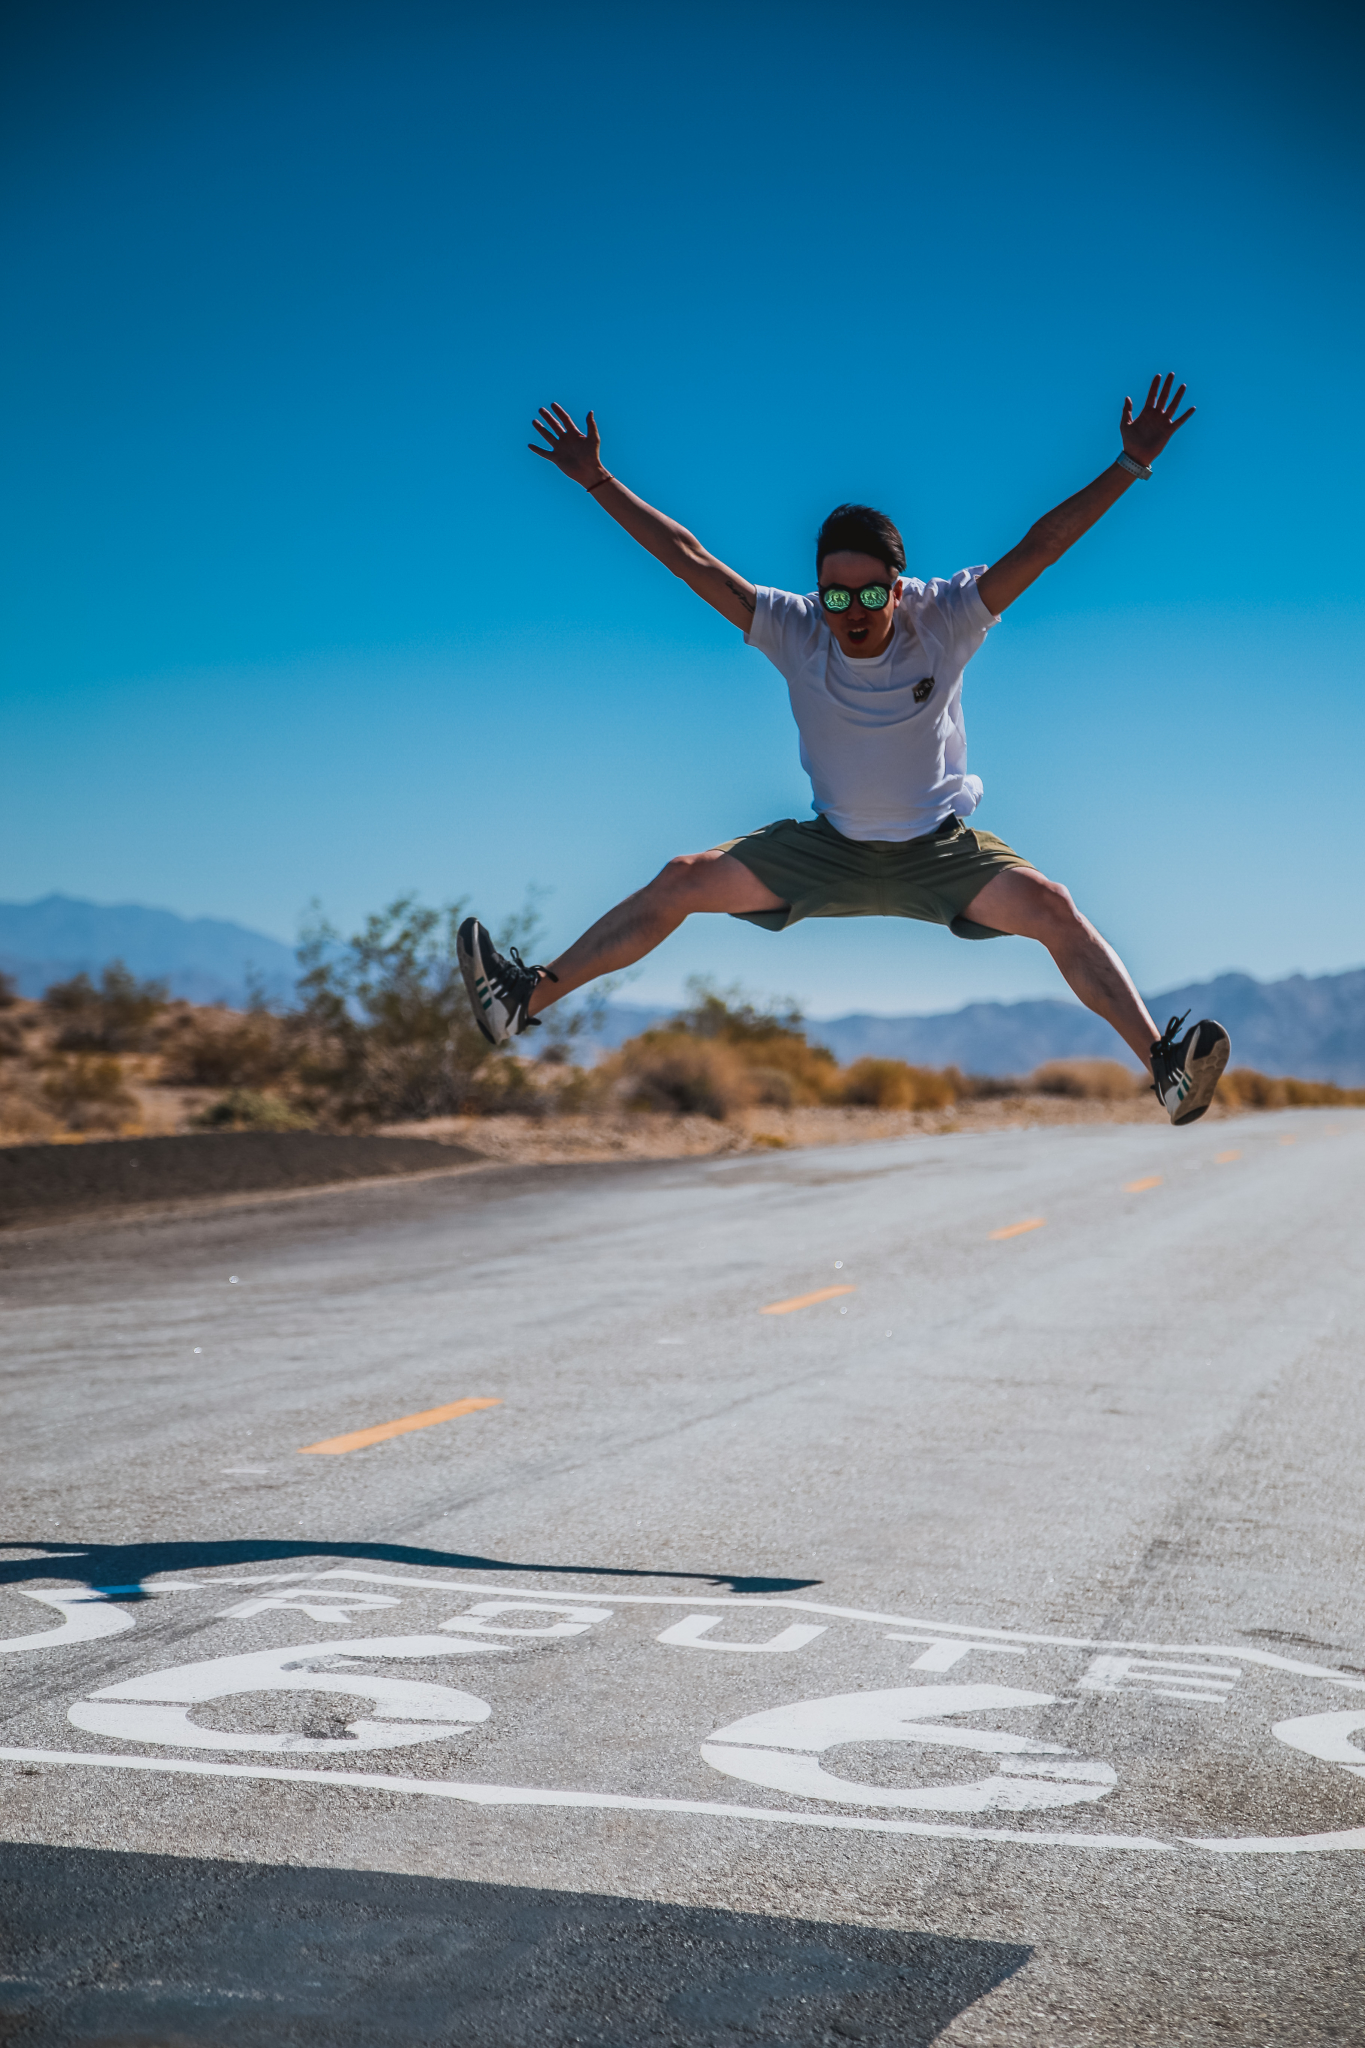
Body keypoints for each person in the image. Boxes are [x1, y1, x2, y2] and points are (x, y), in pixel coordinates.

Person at [457, 376, 1230, 1126]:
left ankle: (1163, 1070)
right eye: (835, 594)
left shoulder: (948, 618)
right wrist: (596, 481)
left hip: (941, 852)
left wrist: (1129, 466)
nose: (851, 610)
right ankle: (520, 1000)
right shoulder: (794, 630)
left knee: (1055, 908)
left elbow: (1043, 544)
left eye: (868, 593)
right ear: (817, 591)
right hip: (827, 849)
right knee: (680, 881)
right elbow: (690, 559)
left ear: (897, 587)